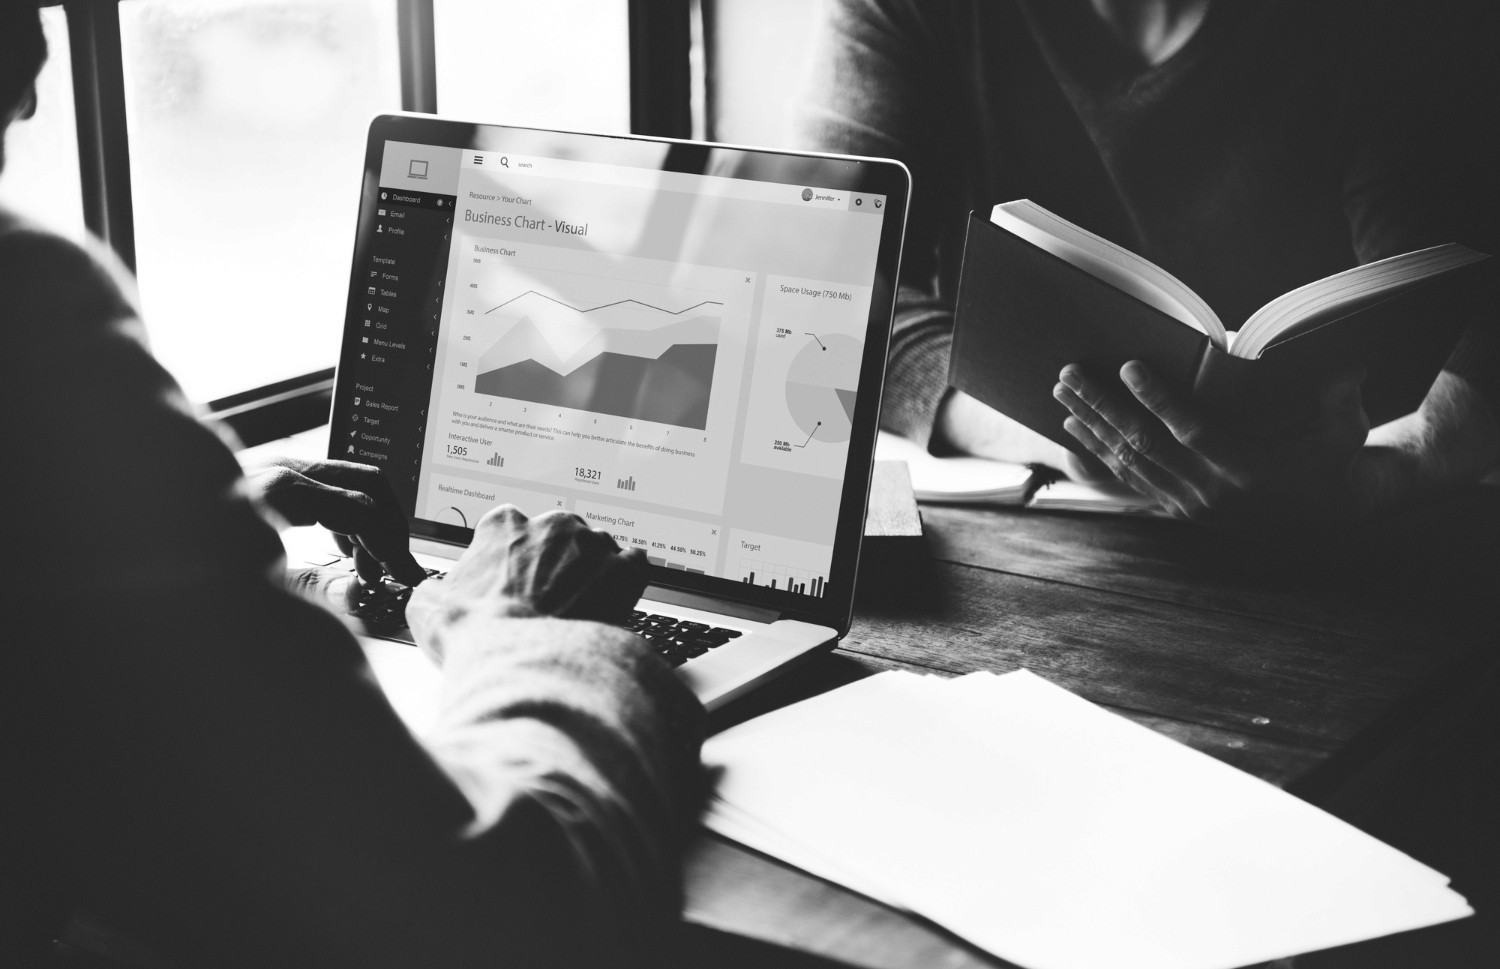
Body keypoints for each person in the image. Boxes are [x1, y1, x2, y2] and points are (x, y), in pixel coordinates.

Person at [1, 8, 704, 968]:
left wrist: (157, 526)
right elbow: (495, 917)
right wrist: (518, 625)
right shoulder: (25, 307)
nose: (38, 66)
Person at [797, 0, 1500, 522]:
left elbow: (1465, 312)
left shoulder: (1386, 23)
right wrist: (1065, 436)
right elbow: (815, 289)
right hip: (1033, 529)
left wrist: (1376, 476)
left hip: (1360, 553)